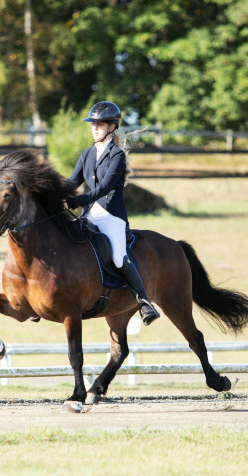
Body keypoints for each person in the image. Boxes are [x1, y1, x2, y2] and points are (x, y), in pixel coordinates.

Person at [67, 101, 160, 325]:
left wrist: (78, 200)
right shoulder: (86, 153)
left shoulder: (117, 155)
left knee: (119, 256)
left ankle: (144, 301)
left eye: (100, 123)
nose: (95, 127)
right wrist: (53, 192)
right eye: (93, 123)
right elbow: (72, 181)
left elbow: (104, 188)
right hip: (89, 214)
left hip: (111, 216)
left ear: (112, 127)